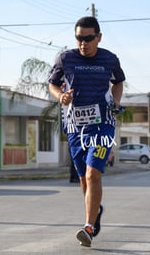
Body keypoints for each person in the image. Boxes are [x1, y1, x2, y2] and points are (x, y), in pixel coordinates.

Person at [48, 16, 125, 247]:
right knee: (83, 178)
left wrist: (117, 102)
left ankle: (88, 227)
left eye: (88, 38)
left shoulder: (109, 59)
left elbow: (118, 82)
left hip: (103, 124)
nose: (83, 43)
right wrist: (60, 96)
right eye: (79, 38)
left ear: (98, 37)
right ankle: (96, 210)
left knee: (93, 175)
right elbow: (52, 83)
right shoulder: (66, 58)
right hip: (75, 127)